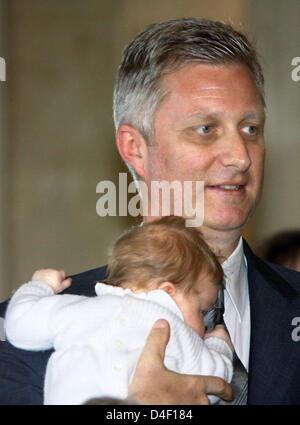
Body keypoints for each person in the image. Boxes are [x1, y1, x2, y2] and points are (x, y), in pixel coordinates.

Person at [0, 17, 299, 405]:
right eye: (206, 128)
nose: (240, 157)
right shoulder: (22, 337)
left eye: (251, 129)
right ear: (135, 148)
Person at [4, 216, 233, 405]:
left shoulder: (79, 309)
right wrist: (219, 344)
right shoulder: (172, 331)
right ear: (168, 291)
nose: (203, 324)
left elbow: (19, 324)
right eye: (201, 309)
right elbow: (214, 381)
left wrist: (41, 285)